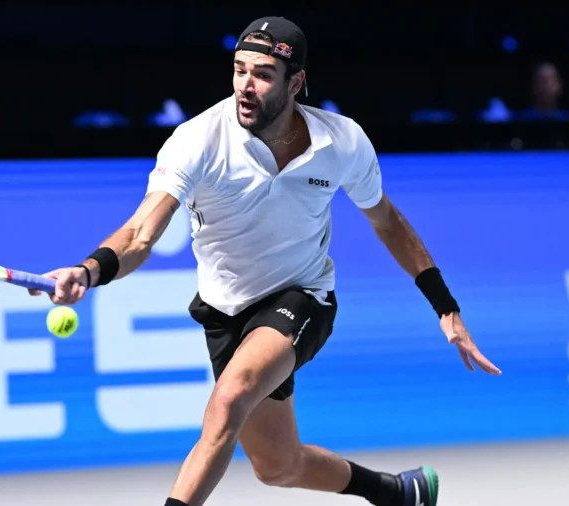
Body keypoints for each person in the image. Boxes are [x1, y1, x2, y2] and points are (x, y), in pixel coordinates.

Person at [29, 16, 501, 506]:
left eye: (262, 74)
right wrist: (89, 269)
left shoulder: (341, 142)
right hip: (224, 310)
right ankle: (397, 492)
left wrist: (444, 306)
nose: (245, 87)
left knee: (229, 400)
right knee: (277, 465)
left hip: (302, 295)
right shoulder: (198, 141)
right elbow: (141, 232)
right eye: (238, 70)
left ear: (295, 82)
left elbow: (387, 221)